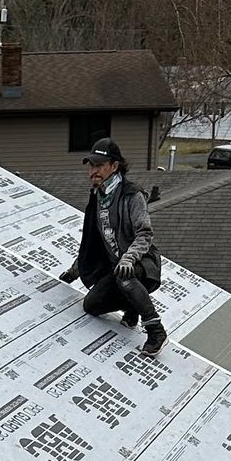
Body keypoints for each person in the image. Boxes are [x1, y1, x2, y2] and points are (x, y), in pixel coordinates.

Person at [59, 137, 167, 354]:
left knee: (124, 273)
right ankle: (131, 306)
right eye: (91, 165)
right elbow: (93, 240)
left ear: (115, 166)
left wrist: (129, 258)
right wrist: (75, 270)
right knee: (91, 305)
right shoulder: (98, 195)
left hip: (142, 266)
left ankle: (156, 330)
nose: (93, 171)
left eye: (99, 165)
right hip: (116, 268)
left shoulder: (131, 194)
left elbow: (145, 234)